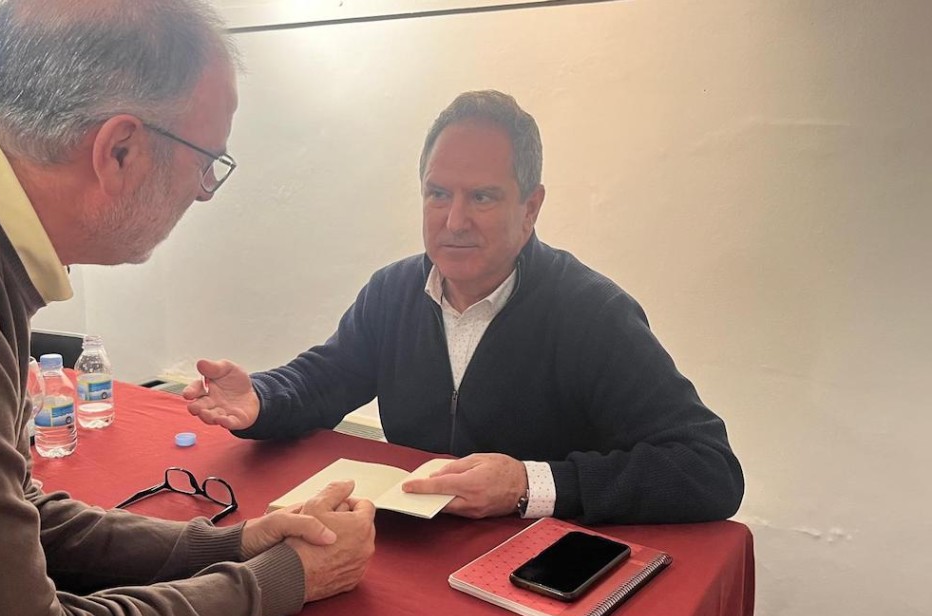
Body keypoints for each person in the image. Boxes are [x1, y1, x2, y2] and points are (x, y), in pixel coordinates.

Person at [0, 1, 375, 616]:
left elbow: (8, 511)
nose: (203, 190)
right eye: (206, 161)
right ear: (119, 150)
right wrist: (283, 579)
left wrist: (232, 546)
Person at [185, 90, 745, 525]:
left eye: (481, 196)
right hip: (411, 552)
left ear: (531, 207)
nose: (454, 221)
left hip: (534, 576)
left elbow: (710, 470)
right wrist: (260, 398)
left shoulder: (592, 313)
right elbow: (327, 377)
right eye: (438, 194)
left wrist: (529, 486)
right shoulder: (393, 292)